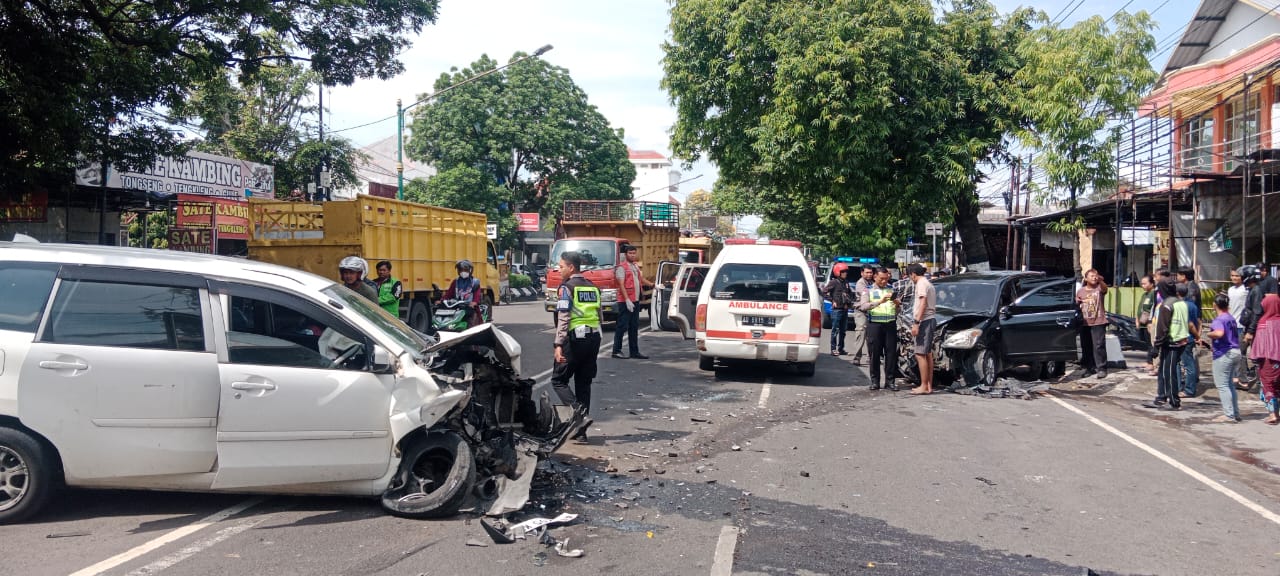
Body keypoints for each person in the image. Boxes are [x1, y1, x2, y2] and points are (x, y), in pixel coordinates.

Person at [552, 250, 603, 441]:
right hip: (594, 339)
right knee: (583, 383)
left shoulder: (566, 288)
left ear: (571, 267)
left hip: (575, 340)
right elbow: (599, 316)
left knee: (558, 380)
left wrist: (558, 344)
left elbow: (563, 318)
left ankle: (580, 417)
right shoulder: (592, 287)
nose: (559, 269)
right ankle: (581, 434)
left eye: (561, 266)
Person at [858, 267, 899, 391]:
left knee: (891, 354)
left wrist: (897, 305)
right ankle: (875, 381)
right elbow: (863, 306)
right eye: (881, 279)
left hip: (890, 324)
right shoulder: (868, 290)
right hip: (875, 325)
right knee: (874, 354)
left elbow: (897, 310)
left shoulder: (892, 289)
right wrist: (879, 302)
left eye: (886, 279)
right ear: (875, 277)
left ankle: (890, 381)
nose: (884, 281)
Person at [1204, 294, 1242, 423]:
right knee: (1229, 384)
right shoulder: (1230, 318)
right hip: (1235, 351)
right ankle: (1234, 412)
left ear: (1215, 305)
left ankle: (1229, 414)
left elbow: (1219, 333)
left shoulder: (1219, 319)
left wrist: (1209, 334)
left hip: (1224, 353)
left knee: (1222, 385)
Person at [1151, 280, 1188, 411]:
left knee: (1169, 373)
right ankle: (1164, 397)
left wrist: (1156, 346)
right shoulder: (1181, 303)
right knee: (1167, 371)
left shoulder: (1166, 305)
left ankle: (1173, 401)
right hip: (1181, 340)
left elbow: (1163, 328)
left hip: (1171, 342)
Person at [612, 244, 651, 360]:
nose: (633, 255)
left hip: (635, 300)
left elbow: (641, 280)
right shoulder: (621, 267)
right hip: (625, 302)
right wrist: (627, 300)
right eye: (630, 253)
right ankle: (616, 351)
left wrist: (653, 285)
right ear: (626, 254)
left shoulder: (635, 266)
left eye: (634, 253)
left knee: (634, 327)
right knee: (622, 326)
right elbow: (621, 284)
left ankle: (634, 351)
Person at [1250, 293, 1280, 425]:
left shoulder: (1263, 322)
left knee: (1268, 386)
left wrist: (1254, 357)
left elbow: (1259, 345)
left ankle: (1273, 414)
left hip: (1268, 361)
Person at [906, 264, 936, 395]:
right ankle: (928, 385)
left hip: (924, 320)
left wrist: (916, 322)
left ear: (913, 274)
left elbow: (923, 303)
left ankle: (924, 385)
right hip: (929, 319)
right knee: (927, 353)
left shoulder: (921, 284)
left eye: (910, 275)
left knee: (920, 353)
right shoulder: (927, 283)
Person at [1076, 269, 1109, 379]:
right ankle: (1089, 368)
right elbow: (1077, 304)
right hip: (1085, 323)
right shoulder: (1081, 291)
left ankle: (1102, 368)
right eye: (1091, 276)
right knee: (1086, 346)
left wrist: (1101, 280)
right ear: (1086, 279)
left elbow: (1105, 289)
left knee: (1099, 345)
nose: (1094, 277)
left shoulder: (1099, 288)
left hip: (1099, 321)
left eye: (1096, 275)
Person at [822, 263, 854, 356]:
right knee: (835, 330)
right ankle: (833, 349)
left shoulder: (846, 283)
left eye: (846, 271)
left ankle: (841, 349)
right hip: (836, 310)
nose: (845, 273)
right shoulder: (833, 282)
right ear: (838, 272)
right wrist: (832, 300)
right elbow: (824, 292)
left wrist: (850, 302)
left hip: (845, 309)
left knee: (843, 331)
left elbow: (850, 294)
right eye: (843, 272)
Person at [442, 259, 484, 328]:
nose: (463, 272)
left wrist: (474, 302)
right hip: (456, 306)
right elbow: (448, 294)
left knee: (474, 319)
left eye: (465, 270)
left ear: (470, 270)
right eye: (461, 270)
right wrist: (442, 300)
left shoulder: (475, 282)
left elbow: (477, 295)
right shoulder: (455, 282)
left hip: (469, 307)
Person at [848, 264, 875, 364]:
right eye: (867, 272)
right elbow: (869, 294)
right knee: (861, 332)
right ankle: (856, 357)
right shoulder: (861, 283)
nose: (869, 274)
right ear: (862, 273)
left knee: (871, 335)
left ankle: (870, 357)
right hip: (861, 311)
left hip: (871, 311)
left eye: (871, 272)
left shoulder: (872, 282)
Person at [1137, 274, 1157, 374]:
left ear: (1152, 284)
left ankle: (1151, 362)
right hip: (1142, 323)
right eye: (1142, 283)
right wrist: (1137, 320)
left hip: (1149, 323)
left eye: (1145, 283)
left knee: (1151, 343)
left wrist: (1150, 322)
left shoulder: (1154, 294)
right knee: (1147, 343)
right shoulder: (1144, 294)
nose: (1143, 285)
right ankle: (1148, 360)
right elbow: (1140, 307)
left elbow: (1153, 309)